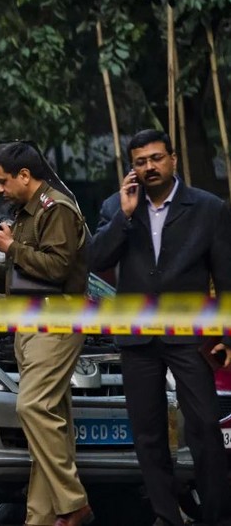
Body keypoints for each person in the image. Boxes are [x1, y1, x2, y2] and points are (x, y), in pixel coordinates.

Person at [88, 129, 231, 526]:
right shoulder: (116, 207)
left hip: (189, 335)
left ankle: (217, 518)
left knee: (204, 426)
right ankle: (167, 517)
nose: (149, 167)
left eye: (156, 158)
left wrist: (226, 335)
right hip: (136, 337)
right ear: (131, 167)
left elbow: (226, 277)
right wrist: (125, 214)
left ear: (173, 158)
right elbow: (95, 257)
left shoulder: (209, 208)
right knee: (148, 435)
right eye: (140, 161)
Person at [0, 142, 92, 526]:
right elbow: (24, 279)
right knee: (49, 428)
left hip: (56, 324)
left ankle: (73, 503)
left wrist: (11, 246)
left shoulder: (57, 210)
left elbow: (57, 269)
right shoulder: (26, 213)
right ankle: (41, 518)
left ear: (25, 177)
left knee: (31, 408)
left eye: (2, 182)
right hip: (30, 325)